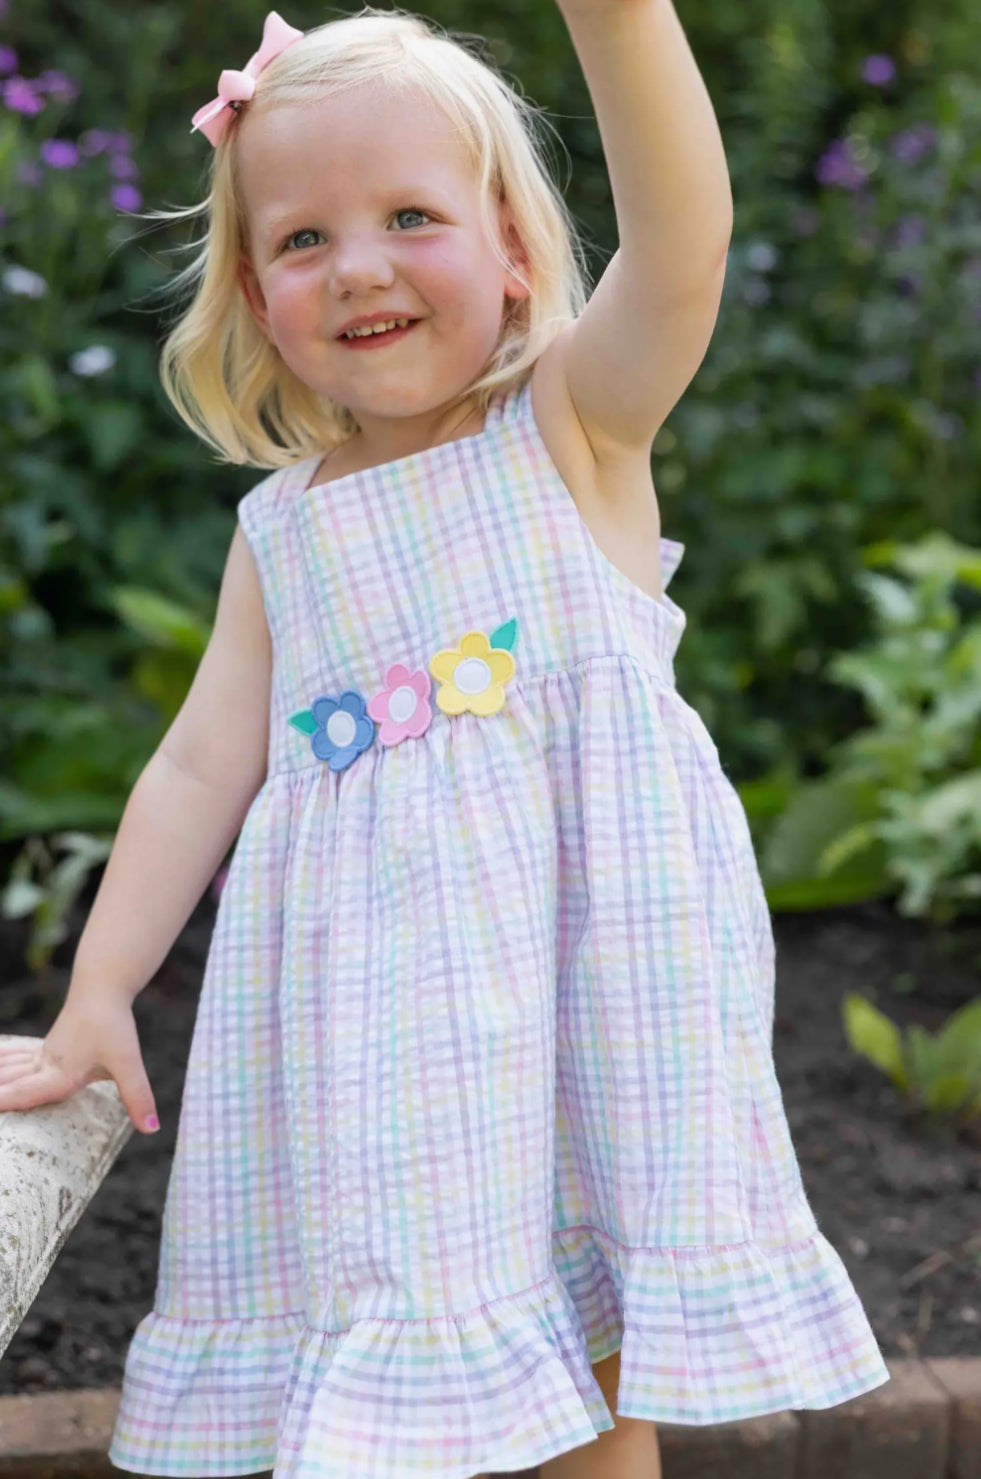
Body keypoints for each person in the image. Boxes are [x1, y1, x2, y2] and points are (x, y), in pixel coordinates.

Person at [0, 5, 890, 1477]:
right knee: (386, 1394)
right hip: (377, 1052)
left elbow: (683, 249)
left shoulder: (573, 430)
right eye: (303, 239)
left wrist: (618, 18)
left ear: (514, 252)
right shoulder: (281, 533)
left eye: (411, 217)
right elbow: (197, 767)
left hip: (588, 1017)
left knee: (588, 1399)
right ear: (254, 295)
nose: (358, 265)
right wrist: (99, 989)